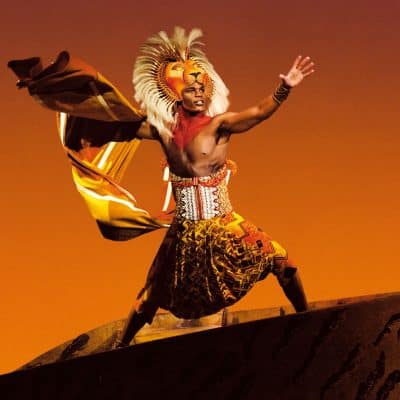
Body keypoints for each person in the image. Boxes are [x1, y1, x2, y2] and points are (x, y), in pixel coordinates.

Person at [8, 27, 314, 349]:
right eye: (192, 89)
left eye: (202, 88)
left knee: (282, 261)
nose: (199, 94)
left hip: (224, 223)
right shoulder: (163, 131)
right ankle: (121, 346)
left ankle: (306, 318)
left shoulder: (220, 126)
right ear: (177, 94)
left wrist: (285, 87)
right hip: (184, 232)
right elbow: (111, 121)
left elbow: (259, 113)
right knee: (150, 296)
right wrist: (54, 90)